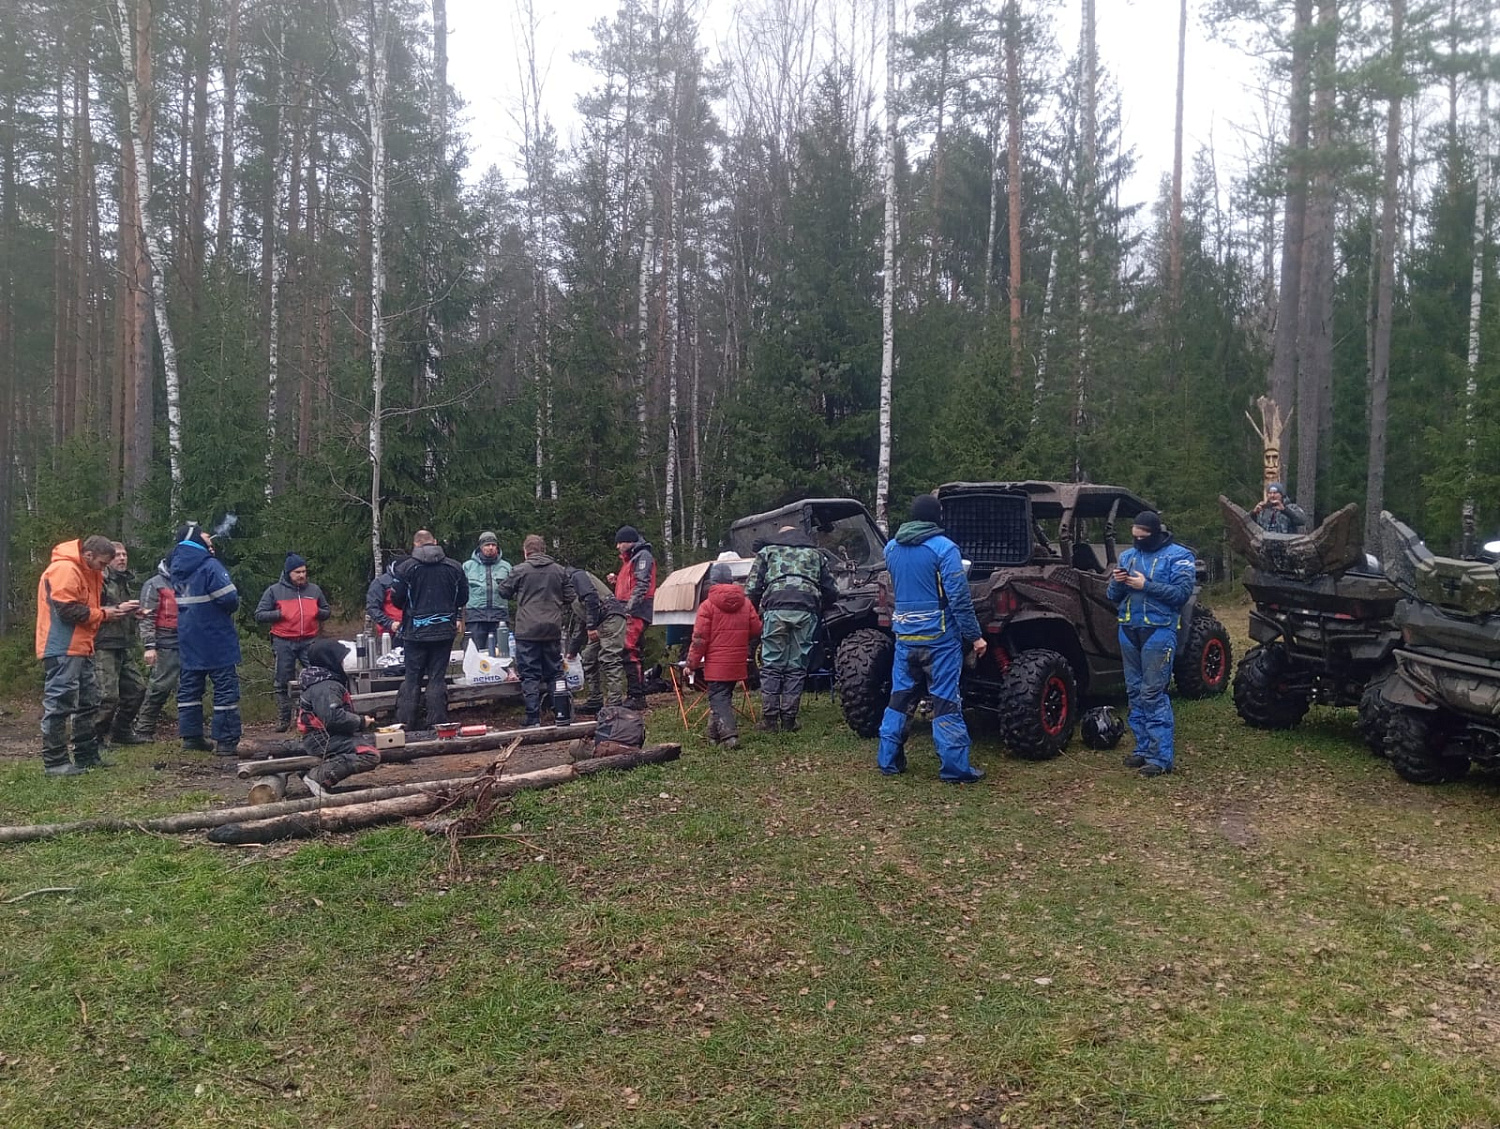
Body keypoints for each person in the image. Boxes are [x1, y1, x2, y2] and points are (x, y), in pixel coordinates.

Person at [876, 495, 987, 783]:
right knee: (945, 701)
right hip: (940, 639)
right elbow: (959, 598)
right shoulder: (944, 549)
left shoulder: (891, 549)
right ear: (935, 517)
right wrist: (975, 637)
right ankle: (955, 769)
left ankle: (888, 760)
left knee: (899, 699)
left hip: (905, 637)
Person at [35, 535, 137, 776]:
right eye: (102, 563)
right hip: (62, 646)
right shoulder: (65, 569)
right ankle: (55, 761)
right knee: (60, 702)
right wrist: (104, 614)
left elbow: (91, 607)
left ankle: (85, 754)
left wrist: (115, 610)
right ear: (88, 555)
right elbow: (67, 610)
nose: (103, 568)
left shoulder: (88, 571)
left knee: (89, 701)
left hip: (83, 645)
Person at [1106, 510, 1197, 778]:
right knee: (1134, 691)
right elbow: (1112, 595)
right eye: (1134, 536)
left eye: (1143, 537)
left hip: (1159, 630)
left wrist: (1146, 585)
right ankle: (1143, 748)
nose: (1137, 541)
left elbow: (1181, 594)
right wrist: (1118, 582)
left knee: (1152, 693)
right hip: (1128, 628)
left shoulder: (1180, 556)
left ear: (1155, 533)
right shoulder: (1127, 556)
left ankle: (1160, 757)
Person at [746, 522, 838, 732]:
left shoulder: (768, 551)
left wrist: (754, 612)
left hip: (776, 609)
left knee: (771, 664)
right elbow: (832, 590)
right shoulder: (816, 554)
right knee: (796, 665)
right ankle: (789, 719)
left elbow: (751, 589)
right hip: (806, 610)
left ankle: (769, 720)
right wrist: (822, 605)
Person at [172, 522, 243, 755]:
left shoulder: (176, 566)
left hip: (188, 636)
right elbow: (230, 598)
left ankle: (191, 738)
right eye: (206, 539)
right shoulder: (210, 566)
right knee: (225, 688)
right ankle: (226, 741)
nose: (210, 542)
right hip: (215, 636)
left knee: (190, 687)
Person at [497, 535, 578, 727]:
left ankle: (532, 718)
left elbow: (503, 591)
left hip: (527, 630)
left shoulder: (520, 570)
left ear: (526, 551)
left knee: (530, 674)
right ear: (544, 550)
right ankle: (561, 714)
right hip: (552, 628)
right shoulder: (559, 571)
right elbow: (570, 596)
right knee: (555, 672)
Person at [390, 531, 466, 729]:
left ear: (415, 544)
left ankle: (405, 724)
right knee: (437, 677)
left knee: (412, 678)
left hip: (415, 631)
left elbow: (397, 600)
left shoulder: (405, 568)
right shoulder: (454, 567)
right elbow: (463, 598)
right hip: (444, 629)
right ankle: (437, 722)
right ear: (435, 542)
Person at [686, 563, 763, 749]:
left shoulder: (707, 606)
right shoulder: (746, 603)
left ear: (713, 581)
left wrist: (691, 663)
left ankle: (730, 736)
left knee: (718, 698)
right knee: (722, 696)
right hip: (737, 660)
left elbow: (699, 640)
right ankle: (713, 735)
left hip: (717, 663)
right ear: (731, 580)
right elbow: (756, 629)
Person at [254, 553, 332, 731]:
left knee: (316, 678)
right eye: (297, 572)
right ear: (288, 572)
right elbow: (259, 614)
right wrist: (279, 614)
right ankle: (283, 721)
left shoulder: (314, 590)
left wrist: (317, 612)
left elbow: (326, 611)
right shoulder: (274, 591)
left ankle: (312, 716)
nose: (302, 575)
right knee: (283, 681)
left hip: (309, 640)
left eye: (304, 571)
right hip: (283, 641)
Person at [296, 638, 380, 796]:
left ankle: (314, 773)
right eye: (340, 659)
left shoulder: (323, 681)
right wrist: (360, 721)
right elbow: (333, 718)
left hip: (324, 736)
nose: (343, 663)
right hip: (322, 739)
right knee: (369, 754)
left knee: (364, 743)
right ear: (330, 660)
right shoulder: (326, 686)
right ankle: (318, 777)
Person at [93, 542, 150, 747]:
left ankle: (121, 731)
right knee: (107, 695)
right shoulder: (100, 580)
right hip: (102, 644)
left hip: (123, 643)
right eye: (117, 555)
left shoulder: (123, 581)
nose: (122, 558)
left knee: (137, 689)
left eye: (125, 554)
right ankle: (94, 738)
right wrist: (119, 608)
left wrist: (134, 614)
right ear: (108, 559)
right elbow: (91, 610)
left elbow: (121, 611)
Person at [564, 566, 628, 713]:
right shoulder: (572, 593)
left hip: (611, 617)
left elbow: (592, 597)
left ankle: (615, 703)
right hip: (600, 622)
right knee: (588, 657)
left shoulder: (577, 576)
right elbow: (581, 621)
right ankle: (595, 700)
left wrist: (591, 626)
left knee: (609, 657)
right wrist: (572, 652)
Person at [132, 558, 180, 740]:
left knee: (189, 686)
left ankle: (190, 729)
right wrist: (150, 646)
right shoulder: (154, 584)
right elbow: (146, 617)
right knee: (160, 685)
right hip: (164, 640)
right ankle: (144, 728)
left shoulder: (187, 581)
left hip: (187, 639)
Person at [613, 526, 657, 710]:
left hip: (637, 610)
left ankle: (636, 696)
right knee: (633, 650)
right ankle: (637, 693)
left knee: (628, 649)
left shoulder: (642, 557)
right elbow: (634, 583)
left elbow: (642, 585)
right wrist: (617, 581)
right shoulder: (633, 558)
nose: (617, 547)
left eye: (620, 542)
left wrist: (629, 608)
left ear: (629, 541)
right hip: (632, 608)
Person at [463, 532, 512, 654]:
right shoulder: (467, 567)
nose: (490, 548)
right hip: (475, 617)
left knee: (501, 655)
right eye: (487, 545)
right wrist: (459, 617)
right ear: (480, 547)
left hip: (499, 617)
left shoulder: (506, 567)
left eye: (493, 545)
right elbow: (460, 593)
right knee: (474, 654)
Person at [366, 556, 405, 638]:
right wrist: (390, 623)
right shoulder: (380, 583)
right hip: (389, 633)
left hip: (412, 630)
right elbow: (372, 608)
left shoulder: (413, 581)